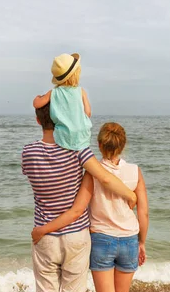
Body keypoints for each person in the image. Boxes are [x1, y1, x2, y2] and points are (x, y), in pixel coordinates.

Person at [21, 105, 135, 292]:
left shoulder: (28, 152)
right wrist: (131, 196)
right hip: (76, 236)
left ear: (38, 120)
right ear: (62, 119)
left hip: (44, 234)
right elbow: (105, 178)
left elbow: (33, 179)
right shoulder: (79, 151)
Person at [32, 53, 136, 208]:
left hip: (63, 138)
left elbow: (37, 104)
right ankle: (128, 195)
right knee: (98, 172)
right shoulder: (81, 92)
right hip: (81, 138)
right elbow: (87, 112)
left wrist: (37, 98)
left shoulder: (53, 93)